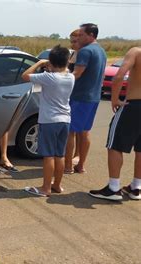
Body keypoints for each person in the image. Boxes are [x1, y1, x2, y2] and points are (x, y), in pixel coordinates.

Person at [89, 47, 141, 201]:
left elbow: (118, 77)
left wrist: (115, 99)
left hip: (134, 105)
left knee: (114, 145)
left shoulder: (136, 52)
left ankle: (113, 188)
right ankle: (136, 186)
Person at [22, 45, 75, 197]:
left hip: (49, 120)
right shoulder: (70, 77)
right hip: (65, 120)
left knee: (48, 156)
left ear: (52, 61)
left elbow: (25, 76)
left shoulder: (49, 77)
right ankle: (57, 185)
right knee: (60, 155)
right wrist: (51, 66)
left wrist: (39, 63)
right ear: (66, 61)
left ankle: (45, 188)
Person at [64, 23, 107, 174]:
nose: (78, 37)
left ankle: (68, 166)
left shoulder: (85, 51)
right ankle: (81, 165)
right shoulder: (101, 51)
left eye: (81, 34)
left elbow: (77, 74)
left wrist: (59, 79)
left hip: (80, 97)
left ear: (91, 35)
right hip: (93, 97)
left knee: (70, 131)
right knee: (85, 131)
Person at [68, 29, 81, 164]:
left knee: (77, 129)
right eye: (71, 41)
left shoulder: (82, 55)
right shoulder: (74, 54)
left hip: (78, 95)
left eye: (74, 41)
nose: (72, 44)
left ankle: (77, 155)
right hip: (71, 93)